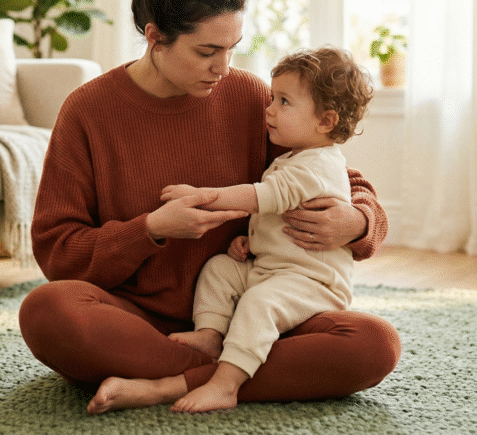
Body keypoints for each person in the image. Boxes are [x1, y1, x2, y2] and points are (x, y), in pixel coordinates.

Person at [18, 0, 400, 415]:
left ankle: (173, 382)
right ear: (155, 37)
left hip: (253, 309)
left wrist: (357, 223)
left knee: (373, 342)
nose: (224, 67)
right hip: (136, 318)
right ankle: (223, 374)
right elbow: (59, 252)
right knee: (48, 312)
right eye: (206, 51)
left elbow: (338, 176)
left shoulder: (245, 97)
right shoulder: (88, 111)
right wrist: (151, 228)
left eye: (232, 49)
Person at [158, 45, 375, 413]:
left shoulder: (316, 166)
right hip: (271, 270)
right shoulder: (296, 156)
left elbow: (261, 197)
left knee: (259, 304)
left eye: (284, 102)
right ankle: (211, 336)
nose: (269, 109)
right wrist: (253, 240)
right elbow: (276, 213)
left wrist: (202, 196)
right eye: (272, 97)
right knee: (219, 270)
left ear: (325, 121)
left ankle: (225, 385)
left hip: (311, 283)